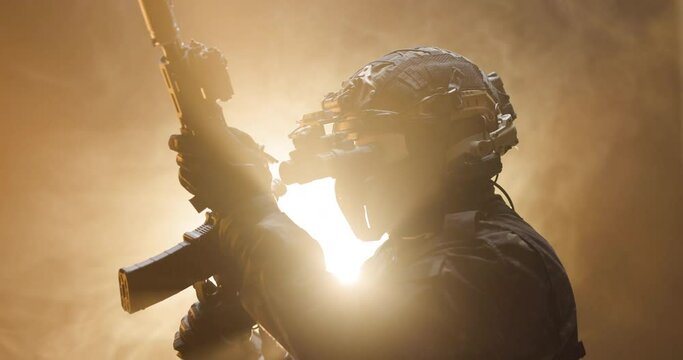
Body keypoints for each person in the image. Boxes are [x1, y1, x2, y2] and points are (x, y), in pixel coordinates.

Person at [169, 47, 585, 359]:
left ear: (438, 147)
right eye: (349, 147)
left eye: (369, 149)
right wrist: (242, 348)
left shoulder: (503, 261)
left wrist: (250, 213)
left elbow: (348, 344)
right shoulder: (409, 253)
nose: (353, 169)